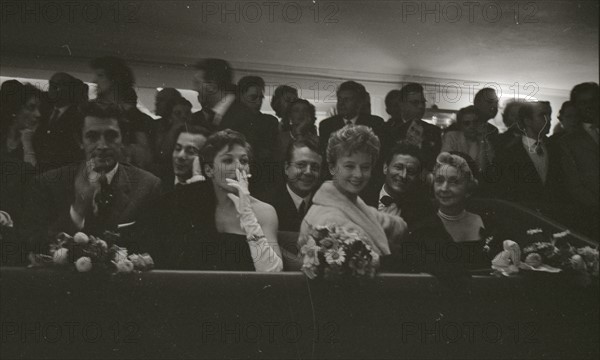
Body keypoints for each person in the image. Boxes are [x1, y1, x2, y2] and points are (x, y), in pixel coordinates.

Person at [20, 101, 162, 255]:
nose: (102, 146)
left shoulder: (147, 186)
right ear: (80, 141)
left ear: (123, 139)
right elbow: (34, 245)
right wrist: (78, 210)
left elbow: (154, 251)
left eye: (111, 136)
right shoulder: (48, 183)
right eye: (92, 137)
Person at [148, 129, 283, 271]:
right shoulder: (190, 203)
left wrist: (247, 215)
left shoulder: (264, 211)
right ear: (209, 170)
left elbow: (272, 271)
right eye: (227, 160)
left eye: (243, 161)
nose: (238, 167)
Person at [299, 125, 406, 258]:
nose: (358, 174)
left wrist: (399, 225)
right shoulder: (329, 219)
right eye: (349, 166)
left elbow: (375, 217)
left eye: (365, 167)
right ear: (332, 167)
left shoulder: (350, 202)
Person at [399, 152, 496, 276]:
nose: (444, 188)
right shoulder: (421, 228)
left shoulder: (489, 225)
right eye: (439, 181)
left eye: (454, 182)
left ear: (469, 189)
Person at [493, 101, 564, 213]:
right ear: (527, 121)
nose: (549, 119)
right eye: (543, 115)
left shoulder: (556, 149)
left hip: (553, 216)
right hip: (522, 215)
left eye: (550, 115)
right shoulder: (508, 153)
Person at [0, 81, 42, 264]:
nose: (37, 114)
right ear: (14, 109)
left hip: (19, 224)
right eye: (31, 108)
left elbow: (34, 181)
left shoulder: (39, 143)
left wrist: (27, 142)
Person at [559, 82, 599, 239]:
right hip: (592, 215)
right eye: (583, 102)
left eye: (593, 100)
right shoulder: (568, 141)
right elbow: (574, 184)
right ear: (576, 106)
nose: (589, 106)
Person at [365, 142, 434, 228]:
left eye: (411, 171)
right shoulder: (362, 195)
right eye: (398, 167)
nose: (403, 175)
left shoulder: (423, 210)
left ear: (417, 176)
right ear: (385, 168)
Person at [265, 136, 322, 232]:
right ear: (287, 168)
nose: (308, 172)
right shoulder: (268, 204)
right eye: (301, 165)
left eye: (315, 167)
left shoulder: (324, 203)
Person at [383, 83, 441, 171]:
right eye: (415, 103)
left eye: (423, 102)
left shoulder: (433, 131)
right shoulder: (387, 130)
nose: (421, 106)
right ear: (402, 105)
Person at [34, 72, 85, 170]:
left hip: (61, 170)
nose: (52, 89)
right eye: (51, 85)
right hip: (38, 167)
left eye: (58, 85)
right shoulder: (42, 111)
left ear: (70, 89)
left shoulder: (78, 116)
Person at [318, 81, 385, 155]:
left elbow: (380, 153)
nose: (341, 104)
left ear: (359, 103)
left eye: (346, 99)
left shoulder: (375, 123)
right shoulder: (327, 125)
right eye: (339, 99)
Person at [441, 106, 494, 176]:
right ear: (460, 126)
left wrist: (482, 140)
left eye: (475, 122)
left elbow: (482, 170)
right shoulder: (451, 137)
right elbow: (445, 161)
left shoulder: (485, 142)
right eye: (467, 123)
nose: (471, 126)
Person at [191, 58, 237, 131]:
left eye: (197, 83)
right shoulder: (198, 118)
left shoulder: (243, 117)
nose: (194, 89)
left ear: (212, 86)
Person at [162, 125, 210, 192]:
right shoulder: (157, 182)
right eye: (177, 148)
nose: (180, 156)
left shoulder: (208, 190)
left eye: (191, 152)